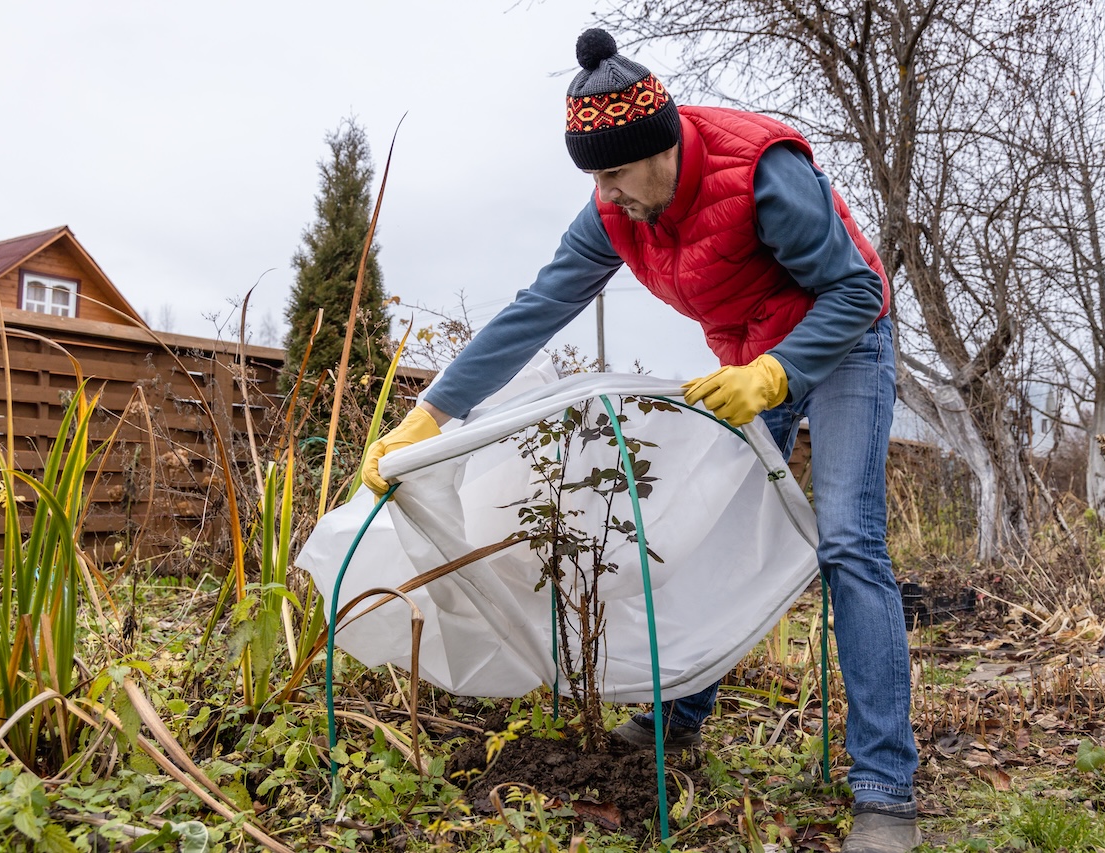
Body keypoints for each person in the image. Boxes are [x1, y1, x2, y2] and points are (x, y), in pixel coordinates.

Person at [361, 28, 920, 852]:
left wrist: (776, 374)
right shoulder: (614, 212)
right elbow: (536, 307)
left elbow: (856, 287)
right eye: (596, 177)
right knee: (709, 533)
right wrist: (433, 413)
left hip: (841, 341)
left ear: (663, 148)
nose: (608, 195)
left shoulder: (764, 176)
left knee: (846, 540)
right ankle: (679, 717)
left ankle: (884, 792)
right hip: (746, 355)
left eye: (616, 173)